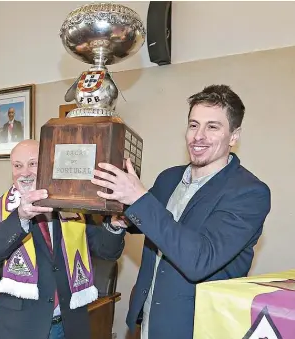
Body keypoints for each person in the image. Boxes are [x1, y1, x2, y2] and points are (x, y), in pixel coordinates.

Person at [91, 85, 272, 339]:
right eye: (193, 125)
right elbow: (108, 247)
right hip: (147, 326)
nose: (198, 136)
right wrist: (115, 224)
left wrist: (139, 198)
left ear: (234, 136)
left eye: (212, 127)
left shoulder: (250, 193)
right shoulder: (168, 179)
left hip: (199, 329)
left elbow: (200, 260)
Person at [0, 139, 125, 339]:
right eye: (17, 165)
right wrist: (20, 217)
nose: (25, 172)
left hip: (70, 325)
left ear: (49, 164)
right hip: (19, 328)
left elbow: (107, 251)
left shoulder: (73, 206)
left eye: (32, 163)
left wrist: (116, 226)